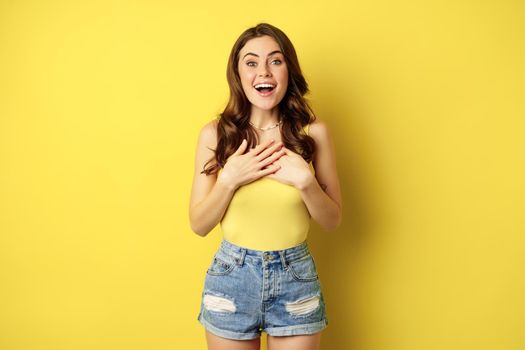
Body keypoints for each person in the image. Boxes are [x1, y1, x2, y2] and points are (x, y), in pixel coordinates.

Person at [189, 22, 342, 350]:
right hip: (231, 279)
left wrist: (306, 183)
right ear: (238, 73)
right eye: (251, 62)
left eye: (275, 60)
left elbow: (332, 221)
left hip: (296, 279)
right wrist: (228, 180)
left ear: (289, 69)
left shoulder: (313, 134)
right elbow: (199, 225)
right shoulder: (215, 136)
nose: (264, 72)